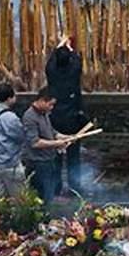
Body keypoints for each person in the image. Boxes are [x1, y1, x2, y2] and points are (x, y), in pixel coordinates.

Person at [45, 37, 85, 196]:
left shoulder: (52, 72)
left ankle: (56, 188)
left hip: (55, 118)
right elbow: (77, 59)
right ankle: (75, 188)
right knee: (73, 155)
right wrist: (69, 46)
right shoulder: (74, 70)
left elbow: (50, 61)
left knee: (56, 154)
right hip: (73, 119)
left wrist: (60, 45)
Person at [22, 87, 73, 205]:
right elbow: (35, 142)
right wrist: (57, 144)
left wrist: (64, 137)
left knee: (49, 195)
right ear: (42, 100)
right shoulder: (29, 117)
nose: (52, 108)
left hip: (48, 160)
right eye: (50, 105)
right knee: (41, 198)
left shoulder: (44, 113)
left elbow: (51, 132)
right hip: (37, 163)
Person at [0, 84, 25, 210]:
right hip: (9, 163)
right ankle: (20, 220)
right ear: (9, 98)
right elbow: (20, 136)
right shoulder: (10, 117)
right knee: (19, 197)